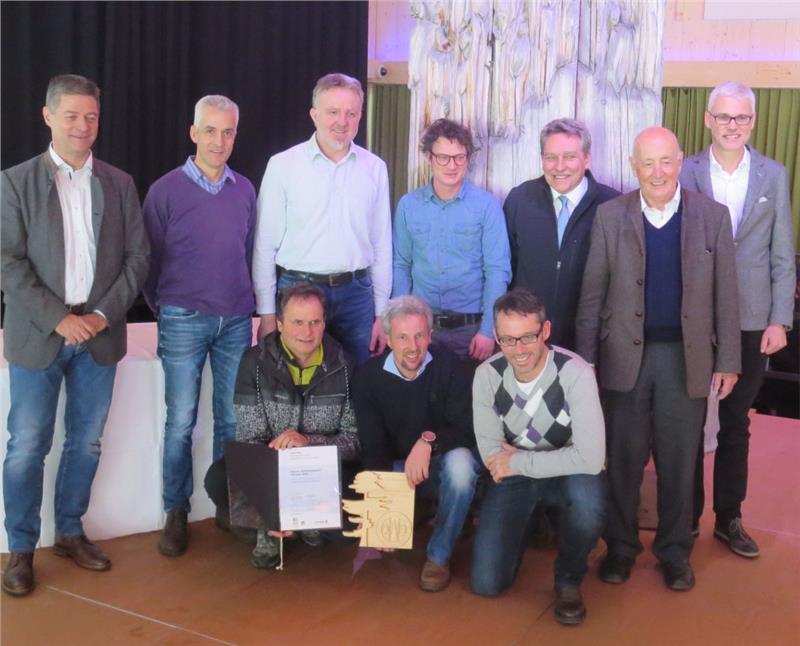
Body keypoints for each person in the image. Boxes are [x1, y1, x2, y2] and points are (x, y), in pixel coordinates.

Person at [1, 74, 149, 596]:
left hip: (99, 336)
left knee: (85, 443)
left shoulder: (120, 183)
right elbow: (8, 263)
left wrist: (102, 315)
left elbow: (138, 258)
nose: (82, 125)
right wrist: (58, 318)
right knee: (27, 445)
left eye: (90, 116)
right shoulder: (14, 182)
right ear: (48, 117)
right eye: (71, 115)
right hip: (38, 334)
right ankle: (20, 549)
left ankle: (68, 531)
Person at [576, 127, 741, 591]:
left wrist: (728, 359)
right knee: (623, 460)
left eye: (666, 161)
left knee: (679, 462)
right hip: (622, 359)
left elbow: (727, 295)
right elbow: (592, 293)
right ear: (634, 166)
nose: (657, 172)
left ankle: (675, 552)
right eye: (647, 163)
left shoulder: (712, 216)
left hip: (686, 361)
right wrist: (586, 362)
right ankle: (621, 548)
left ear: (680, 161)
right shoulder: (611, 216)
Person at [680, 81, 796, 558]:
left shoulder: (774, 175)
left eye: (742, 117)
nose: (733, 125)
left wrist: (779, 320)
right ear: (708, 119)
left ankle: (729, 518)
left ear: (753, 121)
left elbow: (782, 252)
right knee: (687, 422)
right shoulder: (684, 171)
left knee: (735, 423)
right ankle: (684, 519)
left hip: (751, 320)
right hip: (693, 318)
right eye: (724, 116)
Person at [142, 95, 256, 557]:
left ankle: (228, 505)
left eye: (227, 132)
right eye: (210, 130)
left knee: (231, 417)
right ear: (193, 133)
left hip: (235, 319)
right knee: (181, 421)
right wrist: (168, 307)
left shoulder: (244, 190)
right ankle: (176, 511)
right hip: (183, 318)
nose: (218, 140)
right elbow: (147, 261)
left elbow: (247, 251)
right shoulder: (164, 191)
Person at [471, 289, 605, 626]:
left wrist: (520, 461)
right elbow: (490, 452)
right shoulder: (486, 375)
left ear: (545, 330)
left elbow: (591, 459)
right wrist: (525, 463)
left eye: (528, 337)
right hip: (519, 474)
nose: (518, 350)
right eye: (507, 340)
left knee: (588, 505)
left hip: (564, 474)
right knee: (487, 583)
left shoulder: (576, 373)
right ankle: (531, 520)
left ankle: (569, 578)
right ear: (496, 336)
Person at [204, 283, 359, 569]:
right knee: (217, 478)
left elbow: (353, 440)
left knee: (349, 527)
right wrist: (269, 505)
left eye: (314, 322)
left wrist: (307, 443)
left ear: (324, 323)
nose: (307, 332)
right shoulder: (253, 362)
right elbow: (249, 438)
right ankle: (269, 526)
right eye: (297, 322)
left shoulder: (345, 365)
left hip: (321, 468)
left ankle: (306, 523)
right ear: (279, 324)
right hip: (270, 464)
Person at [252, 72, 391, 363]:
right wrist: (266, 313)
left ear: (360, 116)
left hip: (357, 297)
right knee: (297, 381)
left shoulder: (375, 168)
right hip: (297, 292)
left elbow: (382, 245)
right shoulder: (282, 166)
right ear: (314, 115)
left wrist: (382, 313)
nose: (342, 121)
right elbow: (264, 246)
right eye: (333, 112)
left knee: (357, 383)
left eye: (351, 113)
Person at [353, 295, 481, 592]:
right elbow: (373, 447)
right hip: (397, 470)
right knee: (384, 528)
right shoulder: (368, 378)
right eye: (403, 337)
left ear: (430, 335)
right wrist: (381, 509)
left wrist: (427, 442)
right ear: (388, 339)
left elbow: (467, 428)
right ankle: (424, 510)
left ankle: (439, 556)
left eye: (420, 335)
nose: (413, 346)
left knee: (462, 466)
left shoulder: (450, 365)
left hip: (437, 463)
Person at [393, 118, 510, 364]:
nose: (452, 165)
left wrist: (488, 331)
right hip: (421, 329)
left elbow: (497, 271)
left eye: (459, 157)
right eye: (443, 157)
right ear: (430, 158)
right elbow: (401, 265)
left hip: (471, 332)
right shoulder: (408, 205)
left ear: (468, 158)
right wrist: (401, 323)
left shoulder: (487, 206)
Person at [503, 118, 619, 350]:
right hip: (527, 341)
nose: (559, 166)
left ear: (587, 159)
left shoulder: (611, 206)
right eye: (551, 157)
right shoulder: (520, 199)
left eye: (569, 157)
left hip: (587, 343)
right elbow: (506, 268)